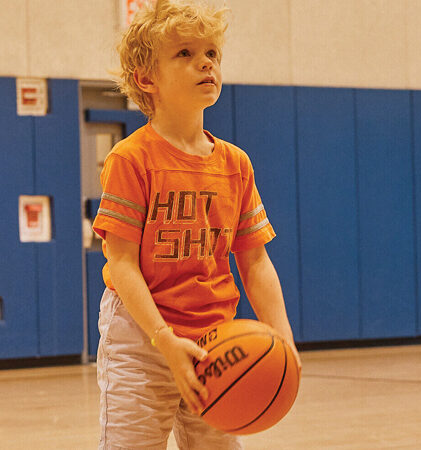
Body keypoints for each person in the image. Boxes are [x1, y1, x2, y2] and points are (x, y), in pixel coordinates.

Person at [92, 1, 300, 448]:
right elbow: (121, 262)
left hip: (216, 338)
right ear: (148, 79)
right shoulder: (132, 159)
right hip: (141, 338)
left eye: (212, 53)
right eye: (184, 53)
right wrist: (163, 339)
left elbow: (256, 262)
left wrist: (281, 335)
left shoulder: (235, 163)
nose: (206, 61)